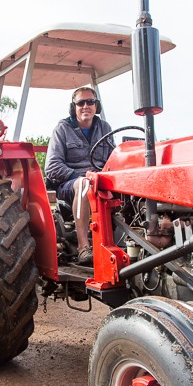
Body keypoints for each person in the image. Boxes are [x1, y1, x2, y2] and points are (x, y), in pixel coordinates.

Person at [44, 87, 115, 266]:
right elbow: (52, 167)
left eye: (90, 102)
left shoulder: (105, 128)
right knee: (85, 184)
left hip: (100, 182)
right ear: (73, 107)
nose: (86, 106)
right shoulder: (63, 128)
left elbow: (112, 160)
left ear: (96, 106)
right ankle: (84, 248)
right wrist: (80, 177)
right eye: (81, 103)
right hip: (70, 185)